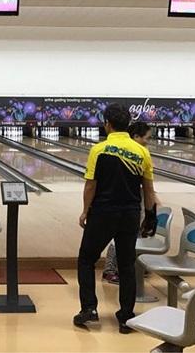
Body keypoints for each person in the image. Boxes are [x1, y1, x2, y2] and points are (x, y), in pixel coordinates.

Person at [74, 104, 157, 334]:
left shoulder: (99, 150)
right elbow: (148, 190)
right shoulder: (141, 151)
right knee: (127, 265)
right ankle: (126, 318)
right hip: (130, 215)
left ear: (107, 124)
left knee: (86, 260)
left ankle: (89, 308)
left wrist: (84, 211)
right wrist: (150, 216)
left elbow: (91, 185)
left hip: (103, 214)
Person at [102, 121, 154, 285]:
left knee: (133, 235)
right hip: (124, 202)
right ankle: (110, 270)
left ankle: (134, 267)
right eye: (147, 138)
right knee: (122, 236)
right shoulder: (134, 152)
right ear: (136, 136)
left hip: (129, 201)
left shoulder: (140, 152)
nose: (148, 141)